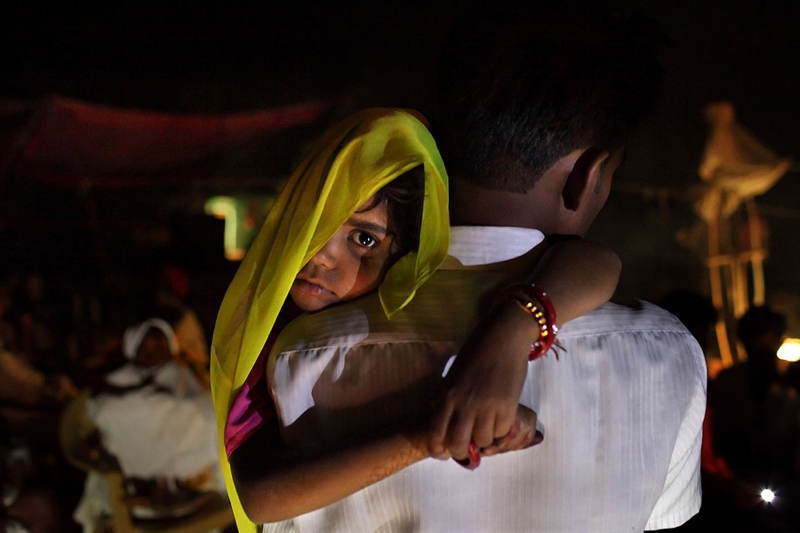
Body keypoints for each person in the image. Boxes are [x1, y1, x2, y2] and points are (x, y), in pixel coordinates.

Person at [231, 7, 706, 532]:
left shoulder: (298, 356)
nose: (321, 257)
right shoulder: (667, 351)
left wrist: (513, 330)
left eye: (363, 238)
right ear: (589, 175)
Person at [213, 108, 622, 531]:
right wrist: (428, 436)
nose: (321, 254)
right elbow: (259, 496)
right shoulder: (262, 335)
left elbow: (595, 260)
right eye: (315, 223)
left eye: (364, 238)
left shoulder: (407, 305)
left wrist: (508, 337)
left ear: (408, 252)